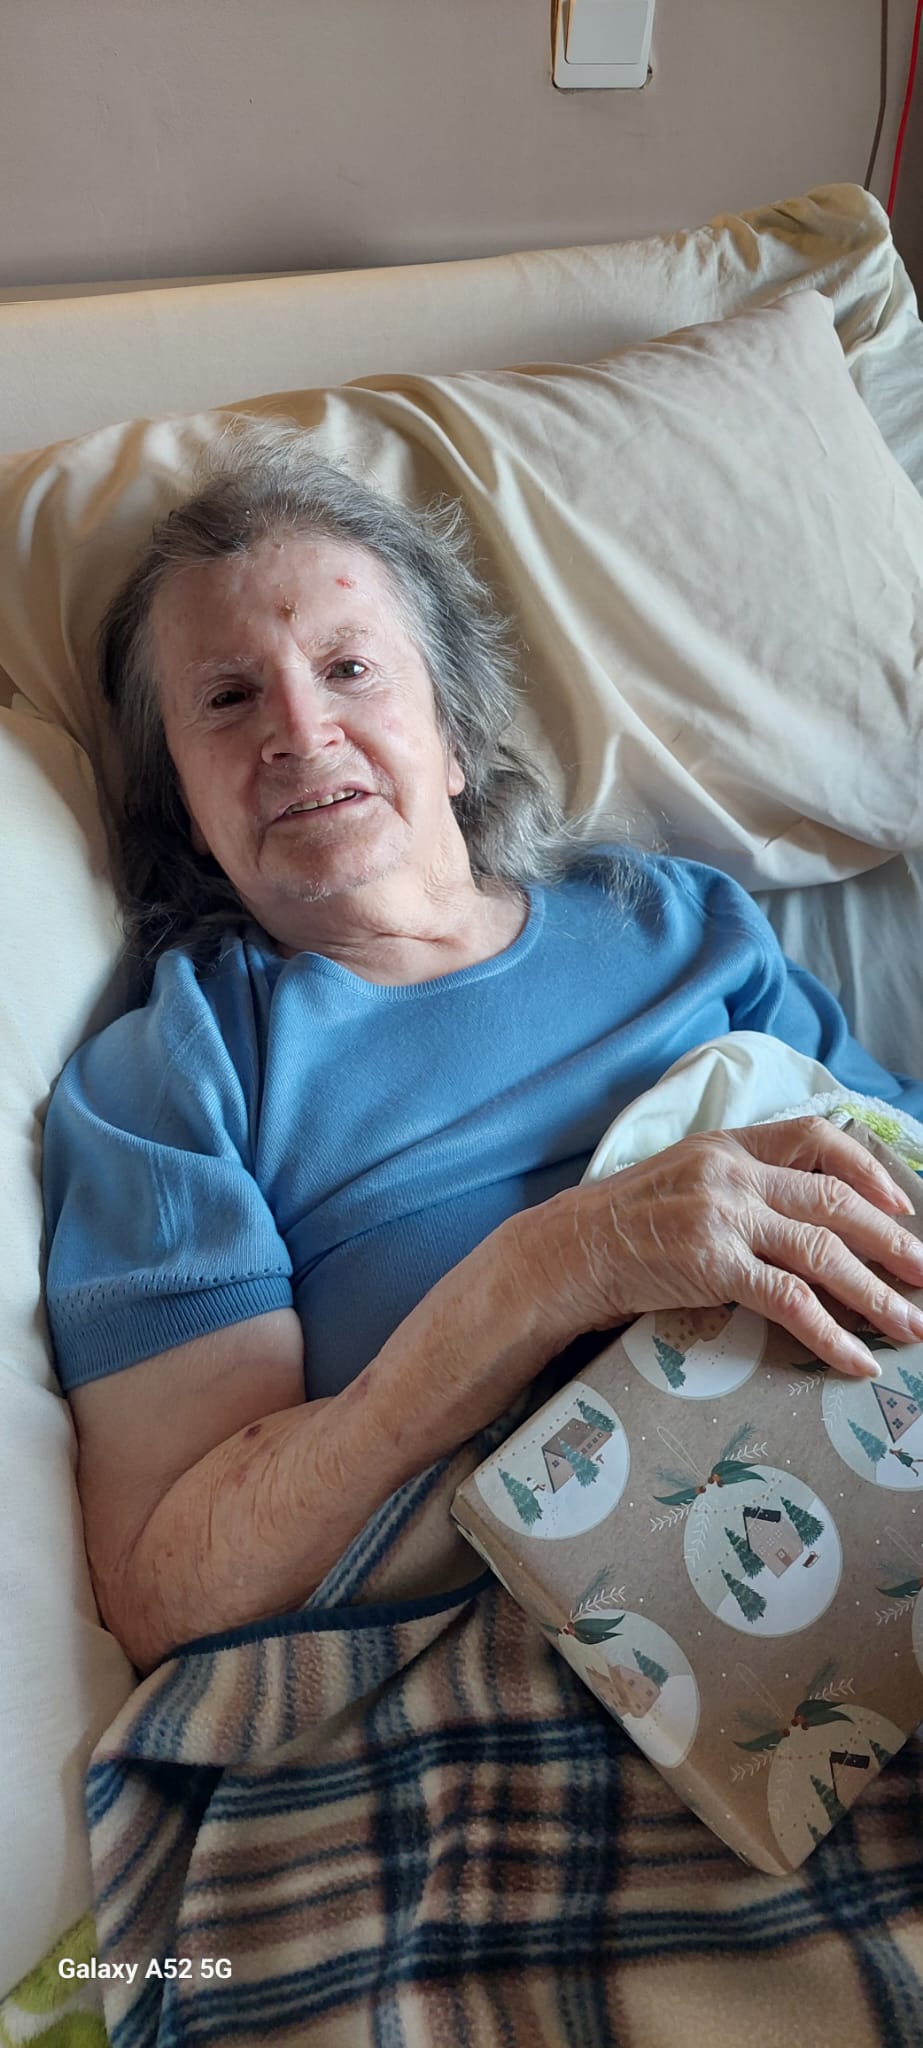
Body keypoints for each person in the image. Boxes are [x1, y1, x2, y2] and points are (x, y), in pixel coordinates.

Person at [41, 422, 923, 1677]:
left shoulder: (674, 920)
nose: (299, 728)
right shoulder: (175, 1077)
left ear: (453, 733)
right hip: (563, 1651)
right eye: (228, 699)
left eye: (348, 667)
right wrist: (557, 1264)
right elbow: (169, 1582)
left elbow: (893, 1172)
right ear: (183, 803)